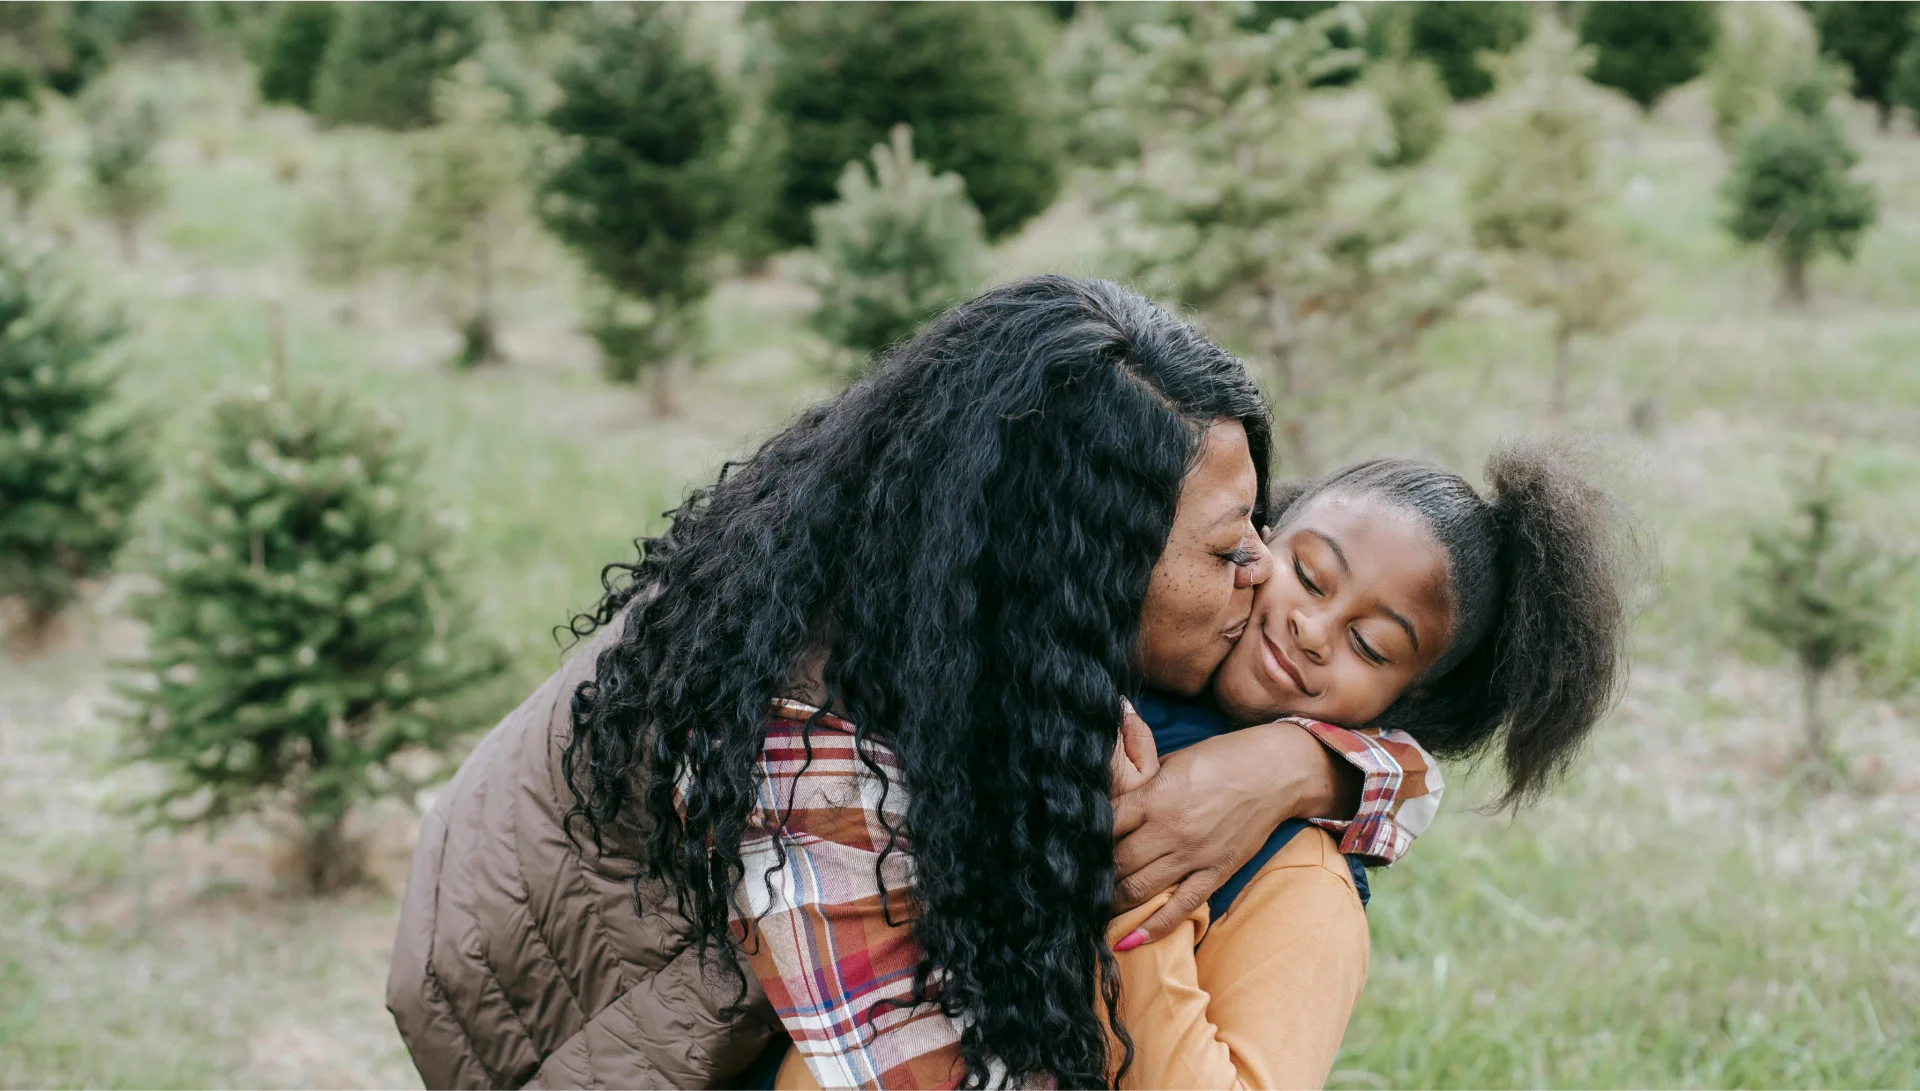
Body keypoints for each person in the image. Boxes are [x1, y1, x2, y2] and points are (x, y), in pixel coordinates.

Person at [386, 276, 1421, 1089]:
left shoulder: (952, 590)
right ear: (1078, 564)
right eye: (1229, 545)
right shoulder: (812, 749)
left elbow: (1414, 767)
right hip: (562, 1037)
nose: (1265, 573)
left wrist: (1307, 767)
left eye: (1262, 523)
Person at [1103, 445, 1632, 1088]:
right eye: (1309, 575)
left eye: (1369, 645)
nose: (1313, 630)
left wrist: (1143, 907)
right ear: (1260, 532)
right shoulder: (1139, 625)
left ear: (1410, 698)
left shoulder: (1303, 883)